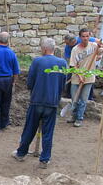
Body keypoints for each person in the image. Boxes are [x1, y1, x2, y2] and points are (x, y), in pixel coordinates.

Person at [12, 38, 67, 169]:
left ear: (44, 49)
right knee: (48, 132)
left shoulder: (38, 61)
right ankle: (44, 159)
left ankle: (21, 153)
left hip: (37, 101)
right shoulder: (63, 63)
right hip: (52, 102)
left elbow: (30, 82)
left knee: (29, 129)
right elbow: (63, 84)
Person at [68, 28, 103, 127]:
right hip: (76, 78)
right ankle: (73, 115)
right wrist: (80, 76)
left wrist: (101, 47)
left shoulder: (93, 46)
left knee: (83, 100)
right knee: (74, 98)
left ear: (89, 37)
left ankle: (79, 118)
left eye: (87, 36)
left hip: (89, 78)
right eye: (83, 36)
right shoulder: (75, 49)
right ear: (80, 37)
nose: (85, 38)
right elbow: (73, 65)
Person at [63, 33, 96, 99]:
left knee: (89, 79)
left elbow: (98, 42)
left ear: (73, 41)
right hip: (75, 65)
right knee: (70, 76)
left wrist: (99, 54)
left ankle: (90, 97)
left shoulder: (83, 39)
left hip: (87, 64)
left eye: (67, 43)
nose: (66, 45)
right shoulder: (68, 47)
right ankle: (69, 95)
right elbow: (69, 60)